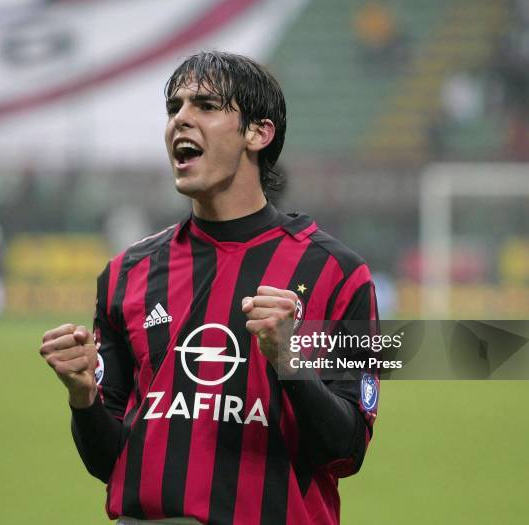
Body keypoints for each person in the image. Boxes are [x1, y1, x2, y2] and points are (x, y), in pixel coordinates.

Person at [39, 51, 379, 525]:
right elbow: (107, 461)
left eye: (205, 105)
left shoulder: (340, 274)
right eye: (173, 107)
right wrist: (82, 397)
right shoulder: (125, 273)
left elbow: (347, 452)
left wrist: (289, 361)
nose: (181, 119)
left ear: (259, 133)